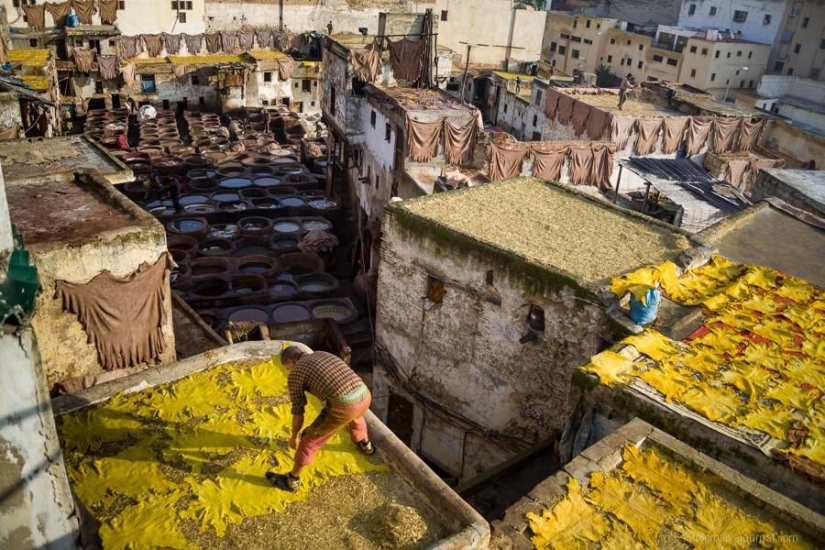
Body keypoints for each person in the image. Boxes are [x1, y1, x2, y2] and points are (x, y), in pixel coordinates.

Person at [267, 346, 375, 491]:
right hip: (364, 394)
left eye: (287, 368)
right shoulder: (321, 353)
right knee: (356, 415)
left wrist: (294, 436)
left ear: (290, 361)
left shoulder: (296, 372)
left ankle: (292, 480)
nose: (289, 371)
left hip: (344, 405)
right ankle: (366, 446)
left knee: (310, 438)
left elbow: (298, 410)